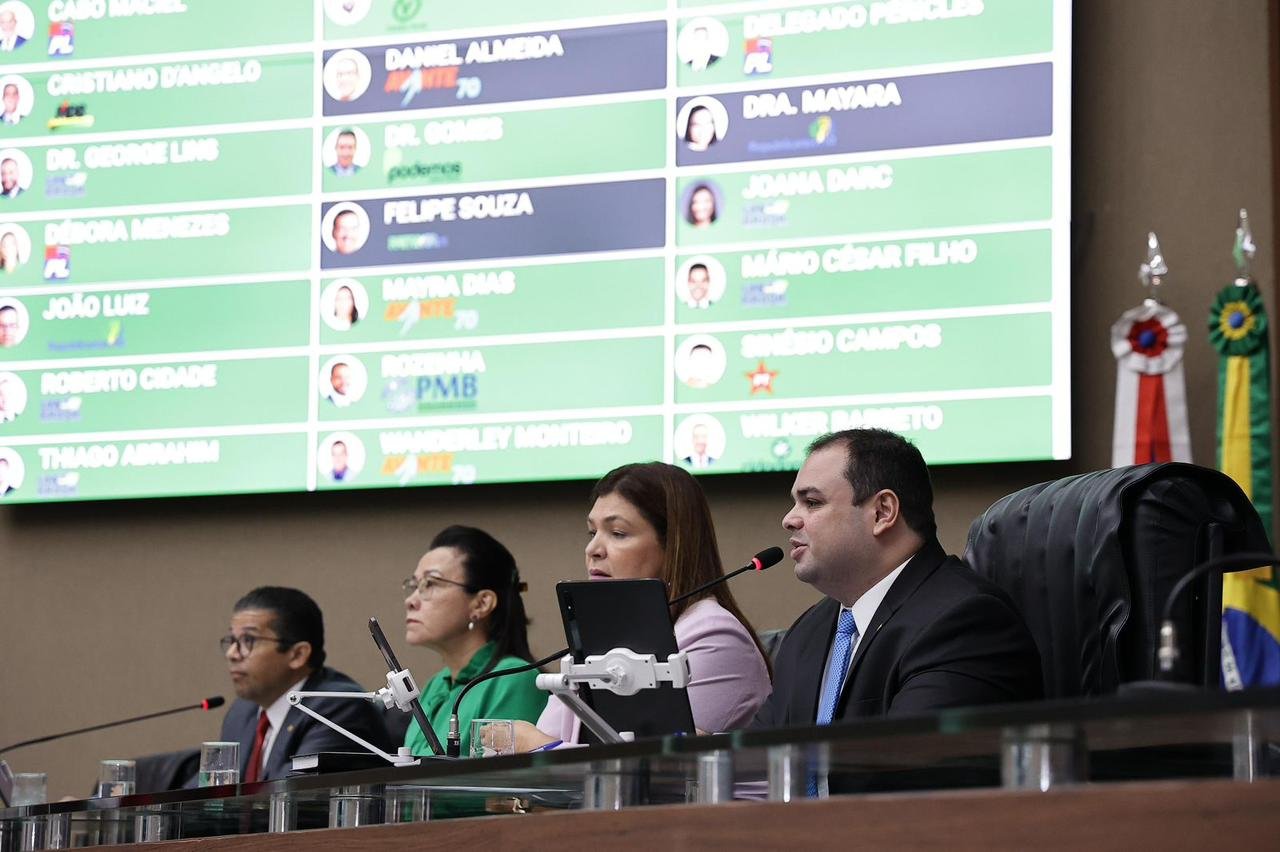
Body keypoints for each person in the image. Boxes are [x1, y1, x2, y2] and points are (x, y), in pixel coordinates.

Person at [750, 429, 1043, 732]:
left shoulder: (965, 622)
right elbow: (755, 753)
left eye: (812, 502)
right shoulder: (809, 630)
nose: (789, 519)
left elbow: (907, 757)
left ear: (882, 512)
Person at [519, 462, 772, 749]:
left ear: (673, 544)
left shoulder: (715, 637)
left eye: (618, 533)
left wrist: (539, 746)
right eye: (592, 533)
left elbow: (658, 767)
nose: (593, 550)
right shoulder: (605, 636)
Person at [217, 587, 394, 782]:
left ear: (298, 654)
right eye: (232, 640)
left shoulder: (337, 708)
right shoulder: (242, 712)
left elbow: (288, 790)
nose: (231, 653)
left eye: (248, 640)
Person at [401, 525, 545, 757]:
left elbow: (500, 779)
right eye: (414, 585)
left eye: (431, 583)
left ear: (481, 603)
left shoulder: (513, 678)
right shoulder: (436, 684)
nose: (411, 600)